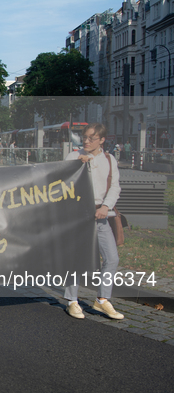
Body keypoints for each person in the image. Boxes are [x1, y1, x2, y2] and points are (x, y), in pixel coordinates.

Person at [64, 123, 123, 320]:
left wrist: (106, 206)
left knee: (112, 258)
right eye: (85, 137)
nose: (87, 141)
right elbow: (62, 183)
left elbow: (114, 186)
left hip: (101, 213)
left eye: (91, 138)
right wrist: (78, 165)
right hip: (79, 215)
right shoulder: (74, 157)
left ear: (102, 140)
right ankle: (72, 301)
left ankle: (102, 299)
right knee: (77, 259)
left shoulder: (109, 159)